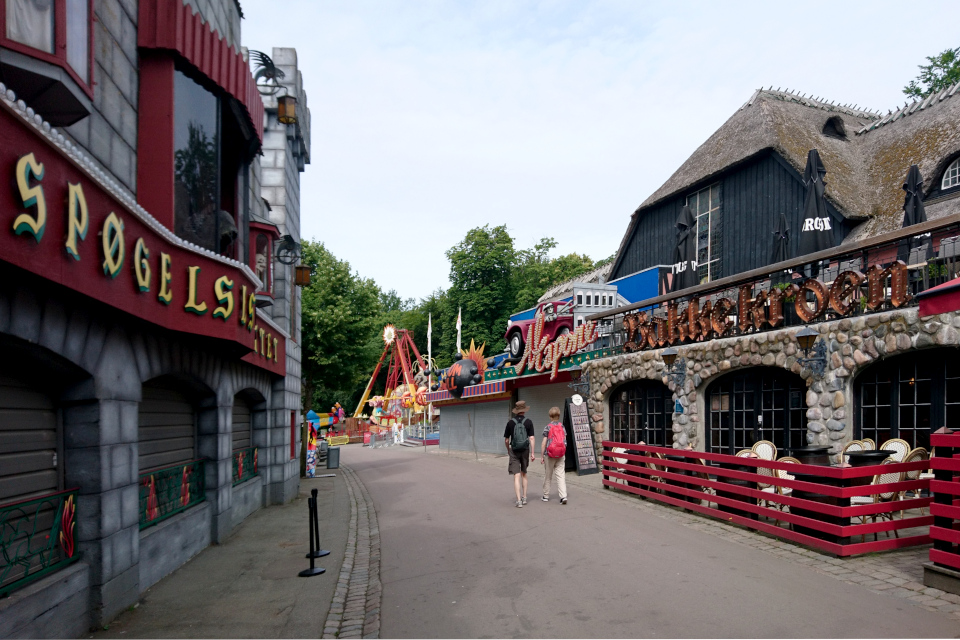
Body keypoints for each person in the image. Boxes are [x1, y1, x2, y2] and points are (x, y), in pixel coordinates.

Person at [504, 400, 535, 508]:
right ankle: (525, 497)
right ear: (524, 410)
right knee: (524, 473)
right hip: (525, 450)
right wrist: (533, 453)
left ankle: (518, 501)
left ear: (516, 411)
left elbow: (507, 440)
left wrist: (508, 450)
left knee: (516, 475)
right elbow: (531, 438)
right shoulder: (528, 422)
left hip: (514, 450)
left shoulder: (510, 422)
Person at [540, 406, 568, 504]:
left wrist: (542, 455)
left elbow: (544, 443)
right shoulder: (562, 426)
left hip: (550, 454)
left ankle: (546, 496)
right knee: (561, 475)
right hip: (560, 454)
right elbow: (564, 440)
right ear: (559, 416)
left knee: (548, 475)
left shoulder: (548, 427)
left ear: (550, 416)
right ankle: (563, 496)